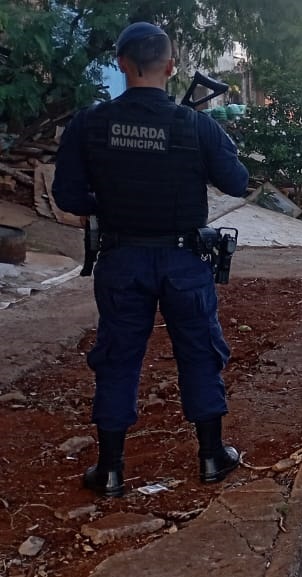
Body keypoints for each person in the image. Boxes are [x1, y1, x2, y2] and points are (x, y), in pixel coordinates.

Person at [52, 21, 251, 498]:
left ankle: (111, 471)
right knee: (200, 354)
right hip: (184, 261)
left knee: (118, 360)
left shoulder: (89, 122)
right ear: (172, 66)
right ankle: (210, 457)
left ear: (121, 64)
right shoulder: (196, 124)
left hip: (122, 260)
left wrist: (111, 206)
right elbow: (238, 183)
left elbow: (67, 196)